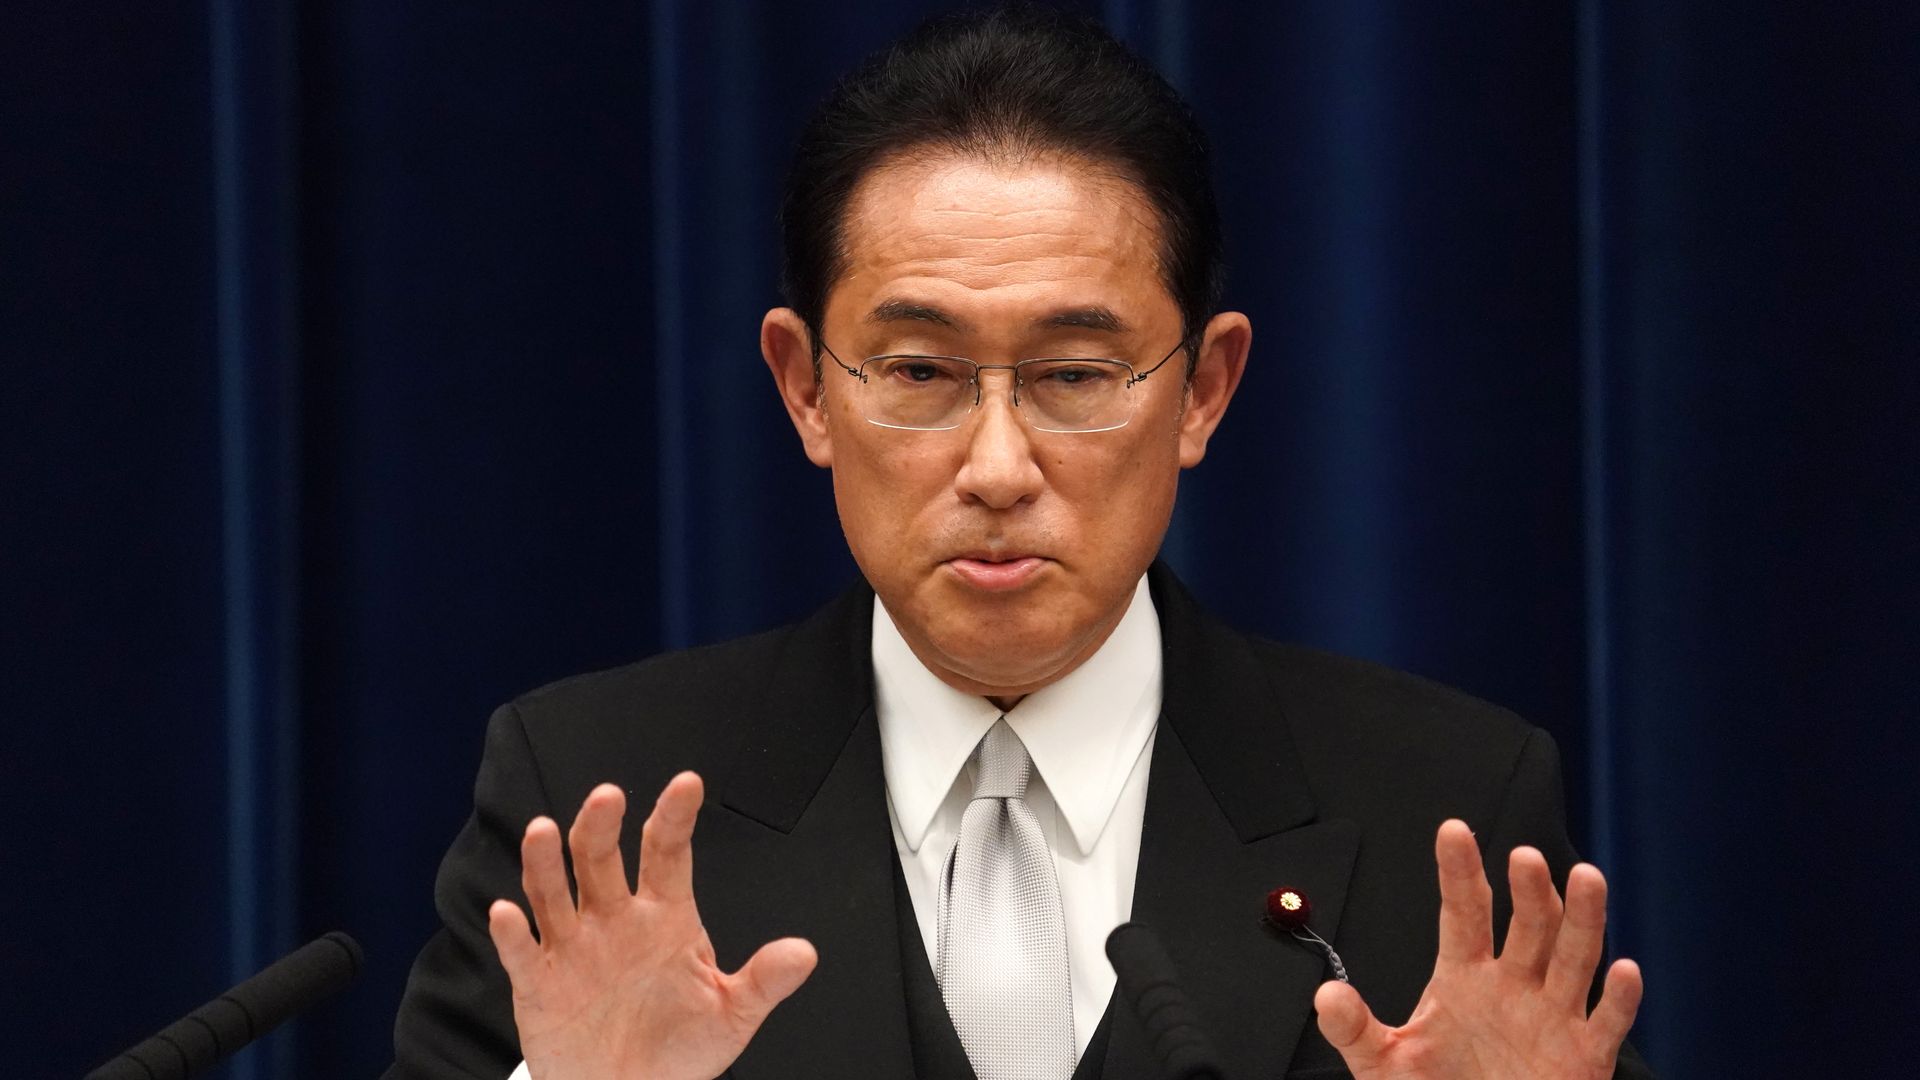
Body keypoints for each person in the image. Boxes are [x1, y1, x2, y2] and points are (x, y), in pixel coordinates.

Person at [387, 8, 1649, 1079]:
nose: (997, 468)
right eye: (922, 370)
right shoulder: (591, 800)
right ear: (806, 389)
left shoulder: (1446, 813)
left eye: (1078, 374)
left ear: (1204, 389)